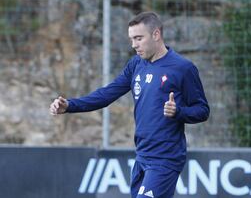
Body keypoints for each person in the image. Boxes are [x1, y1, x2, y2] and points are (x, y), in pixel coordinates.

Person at [49, 11, 209, 198]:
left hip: (166, 158)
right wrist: (70, 105)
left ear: (156, 34)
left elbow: (202, 110)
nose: (134, 45)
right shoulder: (136, 65)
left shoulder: (183, 68)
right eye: (132, 39)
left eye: (139, 38)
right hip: (142, 155)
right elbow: (106, 94)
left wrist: (178, 111)